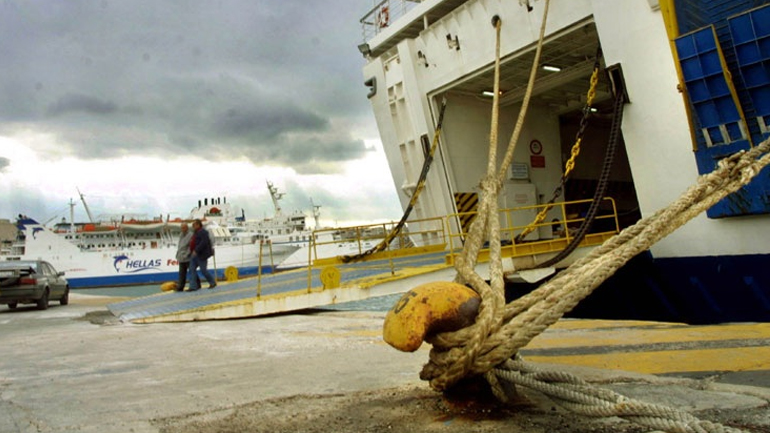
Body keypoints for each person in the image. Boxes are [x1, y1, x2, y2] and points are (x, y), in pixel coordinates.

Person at [187, 219, 217, 291]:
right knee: (191, 269)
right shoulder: (196, 232)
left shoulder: (203, 232)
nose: (193, 226)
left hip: (201, 254)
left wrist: (196, 250)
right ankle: (193, 286)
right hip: (194, 254)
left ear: (198, 225)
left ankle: (212, 282)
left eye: (194, 225)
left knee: (203, 270)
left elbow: (204, 242)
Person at [174, 222, 196, 292]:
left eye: (184, 228)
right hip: (181, 257)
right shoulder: (181, 235)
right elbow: (180, 246)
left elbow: (191, 246)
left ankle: (194, 285)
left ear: (187, 228)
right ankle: (180, 287)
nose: (182, 229)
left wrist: (187, 254)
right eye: (182, 228)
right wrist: (178, 254)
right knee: (181, 273)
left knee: (192, 272)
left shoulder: (191, 235)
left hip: (188, 257)